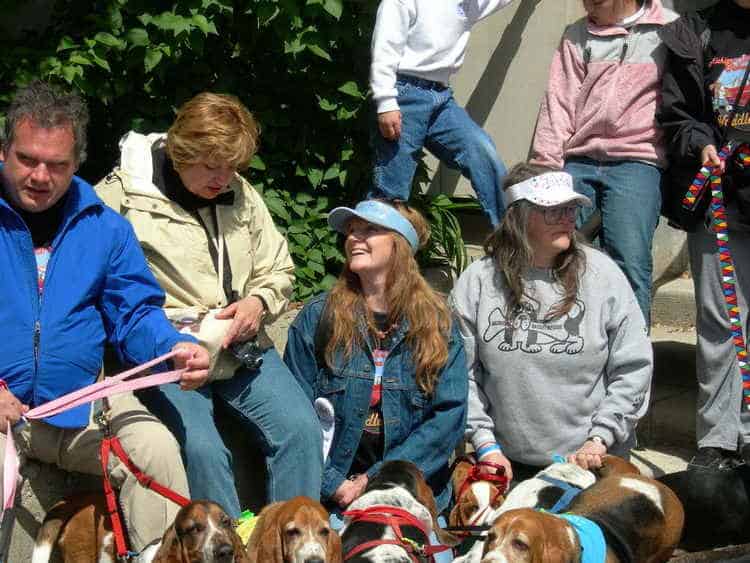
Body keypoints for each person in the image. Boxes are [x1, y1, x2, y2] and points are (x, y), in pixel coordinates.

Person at [0, 81, 210, 551]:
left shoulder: (106, 228)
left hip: (80, 409)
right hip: (3, 411)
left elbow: (134, 313)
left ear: (76, 164)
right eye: (27, 159)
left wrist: (172, 348)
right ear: (3, 150)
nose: (39, 176)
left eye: (56, 165)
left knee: (156, 452)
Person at [95, 92, 322, 517]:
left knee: (301, 430)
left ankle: (292, 545)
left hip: (240, 345)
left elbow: (279, 267)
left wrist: (258, 301)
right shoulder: (121, 197)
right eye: (212, 165)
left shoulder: (241, 193)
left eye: (233, 166)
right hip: (168, 350)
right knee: (202, 449)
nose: (224, 177)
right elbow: (96, 284)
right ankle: (225, 548)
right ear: (183, 152)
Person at [451, 164, 652, 482]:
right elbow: (461, 375)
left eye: (570, 208)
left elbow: (634, 367)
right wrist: (486, 446)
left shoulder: (603, 276)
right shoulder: (478, 281)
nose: (567, 217)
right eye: (552, 209)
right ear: (518, 215)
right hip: (503, 462)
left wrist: (600, 438)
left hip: (591, 462)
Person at [284, 200, 468, 517]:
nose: (355, 237)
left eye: (370, 229)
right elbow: (292, 412)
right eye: (352, 230)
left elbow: (447, 420)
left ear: (400, 245)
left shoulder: (439, 325)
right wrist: (335, 483)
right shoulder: (319, 317)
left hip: (411, 499)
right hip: (330, 501)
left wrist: (376, 481)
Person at [530, 0, 679, 326]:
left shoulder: (669, 30)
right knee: (564, 257)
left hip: (638, 160)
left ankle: (633, 363)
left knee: (629, 260)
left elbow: (682, 101)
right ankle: (564, 352)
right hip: (578, 159)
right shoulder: (577, 35)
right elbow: (558, 102)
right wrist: (546, 168)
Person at [659, 0, 750, 467]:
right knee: (720, 322)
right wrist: (700, 144)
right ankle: (717, 439)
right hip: (721, 196)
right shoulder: (694, 31)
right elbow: (677, 116)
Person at [369, 0, 513, 228]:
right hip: (405, 94)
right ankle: (380, 252)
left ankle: (513, 241)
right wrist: (386, 101)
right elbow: (384, 47)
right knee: (392, 189)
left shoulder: (468, 3)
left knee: (483, 152)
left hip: (442, 97)